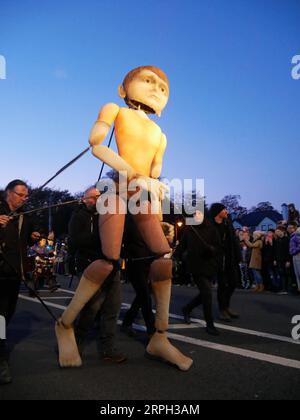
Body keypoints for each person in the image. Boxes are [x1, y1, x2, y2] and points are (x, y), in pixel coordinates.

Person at [55, 66, 193, 372]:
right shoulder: (115, 109)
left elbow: (154, 174)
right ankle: (65, 325)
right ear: (123, 88)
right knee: (109, 260)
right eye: (148, 81)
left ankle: (159, 336)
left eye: (162, 87)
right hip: (116, 190)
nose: (156, 88)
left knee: (163, 258)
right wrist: (133, 174)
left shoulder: (160, 134)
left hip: (142, 193)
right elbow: (96, 144)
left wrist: (158, 195)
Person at [68, 187, 126, 363]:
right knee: (91, 308)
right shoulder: (78, 217)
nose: (94, 201)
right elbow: (76, 240)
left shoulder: (107, 214)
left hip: (111, 267)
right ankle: (75, 344)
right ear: (84, 199)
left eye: (98, 197)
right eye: (91, 198)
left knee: (112, 308)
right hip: (90, 266)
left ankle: (108, 349)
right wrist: (103, 237)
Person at [0, 180, 40, 385]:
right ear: (9, 193)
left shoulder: (25, 215)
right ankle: (1, 357)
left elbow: (27, 240)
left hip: (15, 272)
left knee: (7, 314)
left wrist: (34, 237)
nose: (24, 198)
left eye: (26, 196)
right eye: (21, 194)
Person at [175, 210, 222, 336]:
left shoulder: (212, 230)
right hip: (196, 266)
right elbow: (181, 247)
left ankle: (187, 308)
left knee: (204, 294)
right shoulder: (189, 230)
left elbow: (218, 247)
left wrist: (212, 250)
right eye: (194, 214)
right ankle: (209, 324)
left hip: (210, 265)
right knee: (207, 293)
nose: (197, 216)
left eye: (199, 214)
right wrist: (174, 259)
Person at [209, 203, 241, 322]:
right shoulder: (210, 225)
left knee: (233, 282)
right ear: (218, 211)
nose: (226, 211)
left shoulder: (228, 223)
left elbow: (233, 241)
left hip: (229, 258)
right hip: (217, 259)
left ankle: (226, 306)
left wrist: (238, 256)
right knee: (222, 285)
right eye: (224, 209)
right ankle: (222, 309)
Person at [289, 227, 300, 293]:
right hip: (295, 255)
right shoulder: (294, 237)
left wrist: (293, 251)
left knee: (298, 273)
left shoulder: (295, 237)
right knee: (297, 273)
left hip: (297, 255)